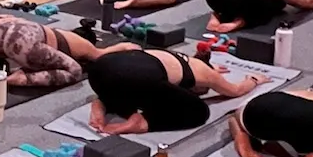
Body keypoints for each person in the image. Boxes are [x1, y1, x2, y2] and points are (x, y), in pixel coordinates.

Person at [84, 47, 260, 135]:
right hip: (138, 78)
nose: (201, 92)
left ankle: (102, 102)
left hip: (99, 72)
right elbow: (235, 90)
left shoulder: (174, 56)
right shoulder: (206, 73)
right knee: (198, 111)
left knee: (130, 90)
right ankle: (142, 123)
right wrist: (253, 80)